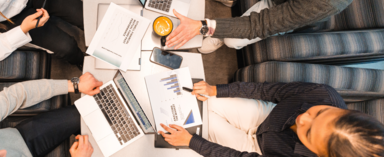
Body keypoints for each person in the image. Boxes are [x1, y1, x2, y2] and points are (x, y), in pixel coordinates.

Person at [159, 81, 384, 157]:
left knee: (194, 132)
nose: (303, 118)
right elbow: (268, 90)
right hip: (267, 115)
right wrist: (217, 89)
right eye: (319, 112)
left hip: (258, 151)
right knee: (205, 101)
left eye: (308, 133)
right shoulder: (324, 93)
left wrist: (191, 142)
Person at [165, 0, 356, 53]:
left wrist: (202, 26)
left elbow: (260, 24)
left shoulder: (326, 2)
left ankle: (221, 34)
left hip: (279, 7)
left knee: (232, 40)